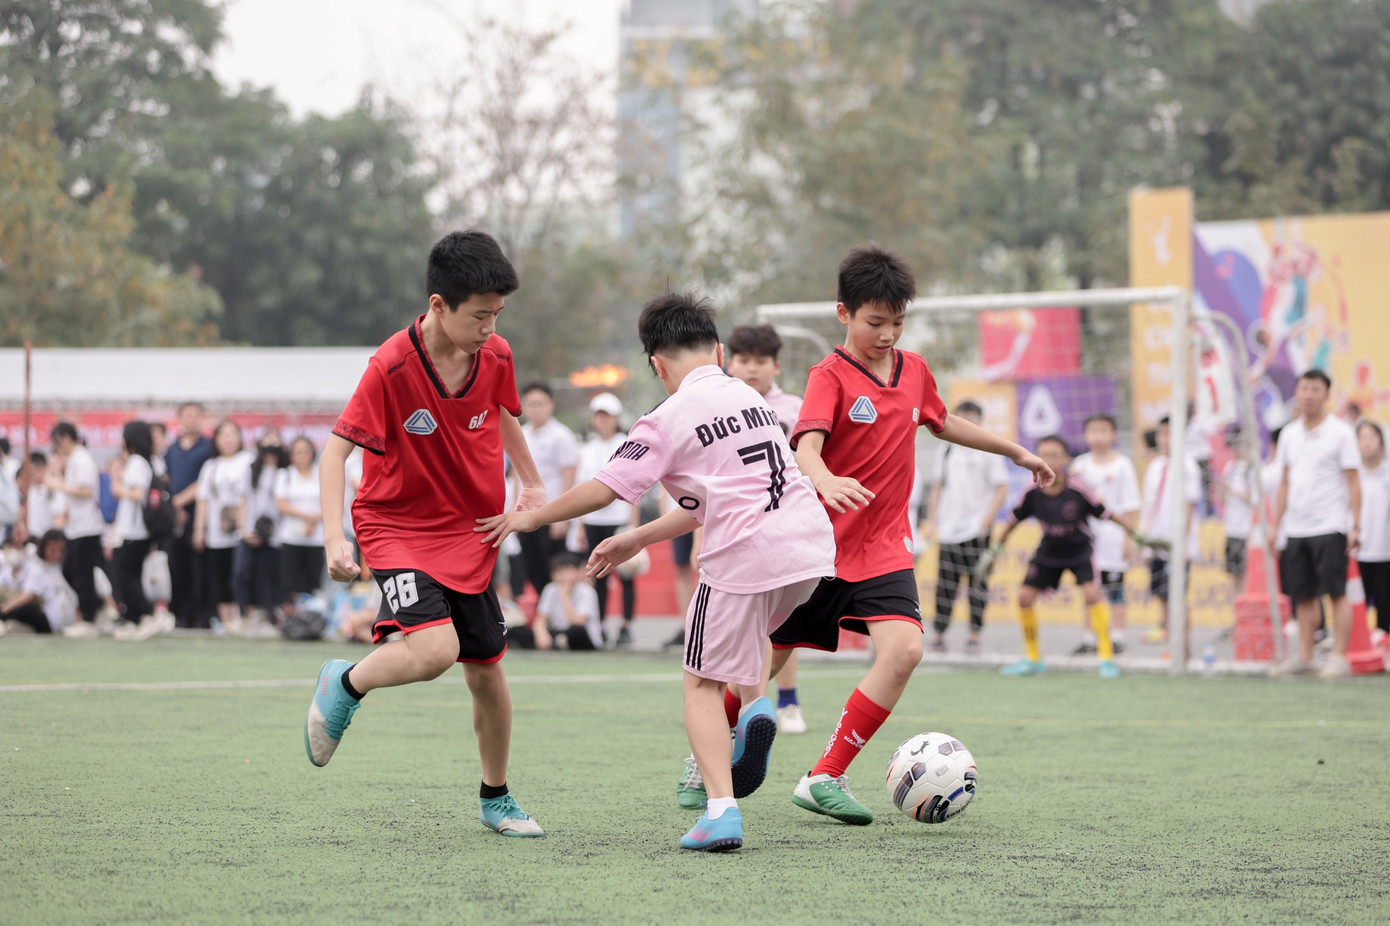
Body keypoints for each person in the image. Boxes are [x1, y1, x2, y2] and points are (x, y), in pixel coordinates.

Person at [477, 290, 836, 852]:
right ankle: (756, 707)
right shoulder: (750, 397)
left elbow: (606, 488)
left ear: (657, 365)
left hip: (743, 554)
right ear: (720, 352)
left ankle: (721, 811)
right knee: (751, 641)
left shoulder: (666, 419)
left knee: (700, 683)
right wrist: (639, 536)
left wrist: (533, 517)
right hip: (810, 549)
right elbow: (710, 499)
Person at [766, 244, 1052, 826]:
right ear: (844, 313)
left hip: (886, 548)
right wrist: (826, 479)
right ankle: (706, 756)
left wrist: (1015, 450)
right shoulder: (828, 376)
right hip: (821, 549)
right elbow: (806, 447)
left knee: (905, 651)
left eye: (898, 322)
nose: (888, 334)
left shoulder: (914, 370)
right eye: (876, 322)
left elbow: (943, 422)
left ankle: (825, 775)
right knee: (761, 665)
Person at [303, 229, 549, 840]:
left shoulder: (496, 355)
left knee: (487, 673)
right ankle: (345, 682)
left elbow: (503, 412)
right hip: (397, 527)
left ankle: (496, 798)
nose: (490, 327)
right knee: (437, 652)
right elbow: (334, 454)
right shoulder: (390, 366)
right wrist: (335, 539)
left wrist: (532, 482)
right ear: (439, 305)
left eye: (497, 314)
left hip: (470, 531)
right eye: (479, 315)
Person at [994, 436, 1140, 679]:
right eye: (1043, 455)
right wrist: (996, 547)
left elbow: (1105, 512)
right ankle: (1033, 659)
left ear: (1066, 459)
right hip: (1049, 550)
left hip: (1080, 550)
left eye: (1054, 455)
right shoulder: (1032, 490)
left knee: (1092, 594)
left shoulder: (1078, 488)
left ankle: (1106, 658)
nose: (1049, 460)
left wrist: (1133, 533)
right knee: (1024, 597)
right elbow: (1013, 520)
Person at [726, 323, 809, 733]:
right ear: (729, 362)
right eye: (743, 360)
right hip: (733, 526)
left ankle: (788, 702)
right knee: (741, 625)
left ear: (776, 366)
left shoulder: (794, 408)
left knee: (781, 622)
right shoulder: (718, 408)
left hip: (785, 524)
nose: (751, 368)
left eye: (761, 361)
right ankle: (742, 706)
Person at [1269, 371, 1362, 678]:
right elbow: (1283, 482)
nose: (1308, 394)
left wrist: (1355, 525)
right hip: (1296, 528)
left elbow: (1353, 482)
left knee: (1335, 592)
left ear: (1326, 395)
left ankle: (1340, 657)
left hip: (1330, 525)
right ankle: (1306, 657)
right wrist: (1275, 525)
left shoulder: (1341, 433)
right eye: (1304, 388)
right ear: (1297, 392)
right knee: (1304, 594)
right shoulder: (1289, 434)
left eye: (1315, 389)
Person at [924, 400, 1009, 655]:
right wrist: (931, 521)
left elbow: (1002, 489)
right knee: (945, 585)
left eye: (972, 417)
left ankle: (974, 636)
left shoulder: (988, 449)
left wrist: (986, 521)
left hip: (977, 531)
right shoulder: (947, 450)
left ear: (980, 420)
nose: (968, 421)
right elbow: (937, 488)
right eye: (963, 417)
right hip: (949, 529)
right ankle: (940, 635)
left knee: (977, 585)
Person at [1070, 413, 1142, 655]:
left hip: (1113, 538)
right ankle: (1089, 637)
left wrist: (1128, 538)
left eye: (1103, 431)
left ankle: (1117, 636)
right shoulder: (1079, 466)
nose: (1098, 436)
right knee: (1089, 588)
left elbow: (1131, 505)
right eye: (1093, 431)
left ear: (1113, 435)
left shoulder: (1122, 465)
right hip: (1086, 539)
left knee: (1115, 588)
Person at [574, 392, 639, 647]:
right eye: (599, 416)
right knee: (597, 574)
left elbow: (636, 486)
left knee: (626, 575)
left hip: (619, 517)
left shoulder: (626, 444)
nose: (603, 421)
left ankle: (626, 626)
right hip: (593, 520)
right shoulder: (586, 448)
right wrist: (580, 525)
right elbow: (582, 488)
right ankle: (600, 624)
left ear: (616, 418)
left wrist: (632, 524)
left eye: (608, 416)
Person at [1138, 416, 1202, 645]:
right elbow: (1148, 507)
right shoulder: (1155, 466)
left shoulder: (1188, 465)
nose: (1165, 439)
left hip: (1178, 544)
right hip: (1156, 542)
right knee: (1161, 595)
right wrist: (1144, 543)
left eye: (1170, 433)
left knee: (1178, 597)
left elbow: (1190, 506)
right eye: (1161, 433)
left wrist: (1182, 543)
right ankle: (1169, 642)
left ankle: (1183, 646)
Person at [107, 420, 169, 641]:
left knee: (126, 576)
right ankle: (133, 619)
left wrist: (118, 487)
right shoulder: (147, 461)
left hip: (134, 531)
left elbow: (138, 493)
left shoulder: (136, 462)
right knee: (129, 575)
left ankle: (147, 615)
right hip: (137, 530)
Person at [516, 382, 578, 594]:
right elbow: (516, 475)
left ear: (551, 405)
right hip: (526, 514)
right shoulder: (520, 433)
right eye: (531, 404)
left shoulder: (561, 435)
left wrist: (562, 517)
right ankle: (543, 609)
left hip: (551, 513)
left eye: (540, 404)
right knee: (531, 567)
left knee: (555, 568)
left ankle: (559, 610)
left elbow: (569, 476)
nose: (536, 409)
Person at [45, 423, 105, 638]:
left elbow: (85, 490)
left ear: (65, 438)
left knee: (82, 574)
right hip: (76, 527)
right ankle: (96, 608)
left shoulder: (82, 459)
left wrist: (58, 484)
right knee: (70, 571)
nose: (57, 448)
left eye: (57, 442)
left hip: (87, 526)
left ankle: (89, 618)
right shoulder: (73, 460)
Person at [195, 420, 254, 632]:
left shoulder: (248, 461)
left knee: (241, 574)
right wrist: (199, 529)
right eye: (223, 434)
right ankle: (226, 621)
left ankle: (243, 616)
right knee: (219, 574)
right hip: (216, 531)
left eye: (232, 434)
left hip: (242, 530)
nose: (228, 439)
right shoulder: (211, 466)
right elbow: (202, 499)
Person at [164, 403, 212, 627]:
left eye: (195, 415)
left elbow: (204, 482)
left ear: (202, 418)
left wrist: (178, 502)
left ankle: (201, 616)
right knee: (177, 566)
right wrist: (173, 507)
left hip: (199, 518)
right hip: (174, 519)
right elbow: (166, 480)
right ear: (179, 418)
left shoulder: (208, 447)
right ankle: (180, 615)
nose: (191, 419)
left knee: (199, 569)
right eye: (187, 415)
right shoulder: (172, 449)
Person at [235, 437, 284, 625]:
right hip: (249, 530)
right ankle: (243, 613)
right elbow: (243, 500)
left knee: (269, 576)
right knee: (241, 573)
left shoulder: (284, 472)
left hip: (275, 533)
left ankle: (270, 615)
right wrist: (243, 529)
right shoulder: (252, 471)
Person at [275, 436, 325, 605]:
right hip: (291, 536)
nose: (302, 455)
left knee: (314, 581)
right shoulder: (285, 475)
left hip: (316, 537)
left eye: (305, 451)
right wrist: (309, 517)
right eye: (297, 451)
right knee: (289, 582)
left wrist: (314, 520)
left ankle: (311, 613)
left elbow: (330, 500)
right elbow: (282, 504)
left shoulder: (320, 473)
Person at [1355, 419, 1390, 638]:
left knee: (1384, 604)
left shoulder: (1387, 473)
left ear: (1381, 441)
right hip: (1358, 551)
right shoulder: (1352, 475)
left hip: (1384, 550)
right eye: (1362, 437)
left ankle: (1384, 641)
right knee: (1357, 603)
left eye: (1372, 437)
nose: (1367, 442)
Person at [1217, 425, 1258, 592]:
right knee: (1233, 574)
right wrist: (1221, 492)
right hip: (1231, 529)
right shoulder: (1230, 467)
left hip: (1246, 530)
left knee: (1246, 573)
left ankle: (1245, 602)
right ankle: (1237, 603)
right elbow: (1223, 499)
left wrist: (1231, 490)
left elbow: (1254, 498)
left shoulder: (1253, 469)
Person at [535, 550, 603, 650]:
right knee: (520, 631)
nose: (563, 576)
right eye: (558, 572)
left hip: (583, 637)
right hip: (558, 631)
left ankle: (560, 642)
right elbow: (540, 619)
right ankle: (557, 642)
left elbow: (578, 621)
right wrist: (541, 634)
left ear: (578, 572)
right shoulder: (550, 589)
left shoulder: (587, 592)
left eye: (567, 571)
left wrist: (565, 596)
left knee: (577, 631)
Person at [0, 532, 61, 635]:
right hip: (17, 615)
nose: (12, 552)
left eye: (16, 548)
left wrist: (4, 609)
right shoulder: (6, 572)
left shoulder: (34, 570)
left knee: (23, 610)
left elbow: (28, 597)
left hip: (45, 618)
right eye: (9, 548)